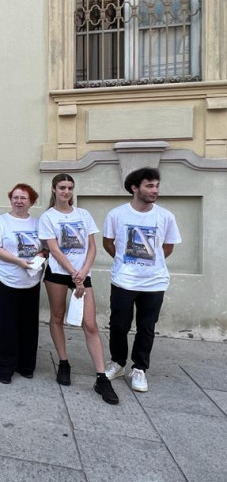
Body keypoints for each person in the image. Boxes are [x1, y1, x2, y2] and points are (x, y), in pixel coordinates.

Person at [39, 174, 118, 404]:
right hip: (58, 274)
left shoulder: (83, 215)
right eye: (62, 187)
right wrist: (74, 273)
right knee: (57, 316)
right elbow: (54, 249)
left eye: (70, 188)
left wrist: (83, 273)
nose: (66, 191)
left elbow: (92, 247)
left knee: (90, 324)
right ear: (54, 190)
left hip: (83, 275)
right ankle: (63, 362)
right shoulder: (48, 217)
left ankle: (101, 377)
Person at [102, 167, 181, 393]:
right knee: (119, 325)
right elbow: (108, 242)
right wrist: (124, 263)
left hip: (154, 282)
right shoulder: (117, 214)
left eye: (156, 185)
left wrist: (151, 263)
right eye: (149, 185)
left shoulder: (166, 216)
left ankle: (139, 368)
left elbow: (168, 246)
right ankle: (117, 363)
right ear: (135, 188)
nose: (154, 190)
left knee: (147, 327)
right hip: (123, 281)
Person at [0, 184, 44, 384]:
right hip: (7, 279)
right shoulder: (1, 222)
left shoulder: (37, 223)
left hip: (31, 280)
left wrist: (40, 256)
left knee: (29, 325)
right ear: (11, 199)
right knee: (6, 325)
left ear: (32, 201)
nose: (19, 201)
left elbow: (45, 248)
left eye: (24, 198)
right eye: (15, 197)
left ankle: (26, 365)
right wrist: (18, 261)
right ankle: (5, 368)